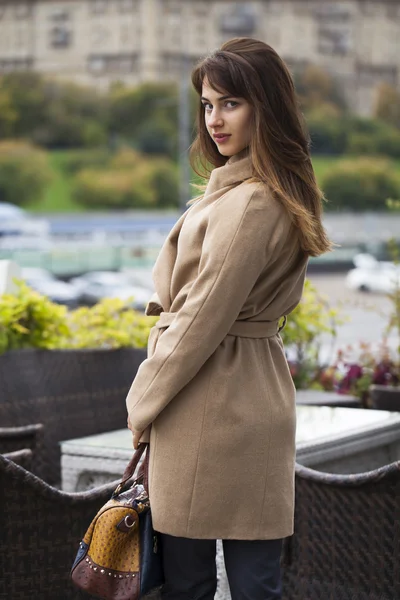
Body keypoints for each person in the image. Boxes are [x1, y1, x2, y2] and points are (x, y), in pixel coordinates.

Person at [126, 37, 331, 600]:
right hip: (254, 391)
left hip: (207, 402)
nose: (215, 119)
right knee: (256, 575)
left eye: (230, 103)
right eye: (208, 104)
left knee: (192, 581)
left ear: (265, 105)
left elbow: (199, 319)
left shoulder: (250, 202)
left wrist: (142, 400)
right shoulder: (274, 192)